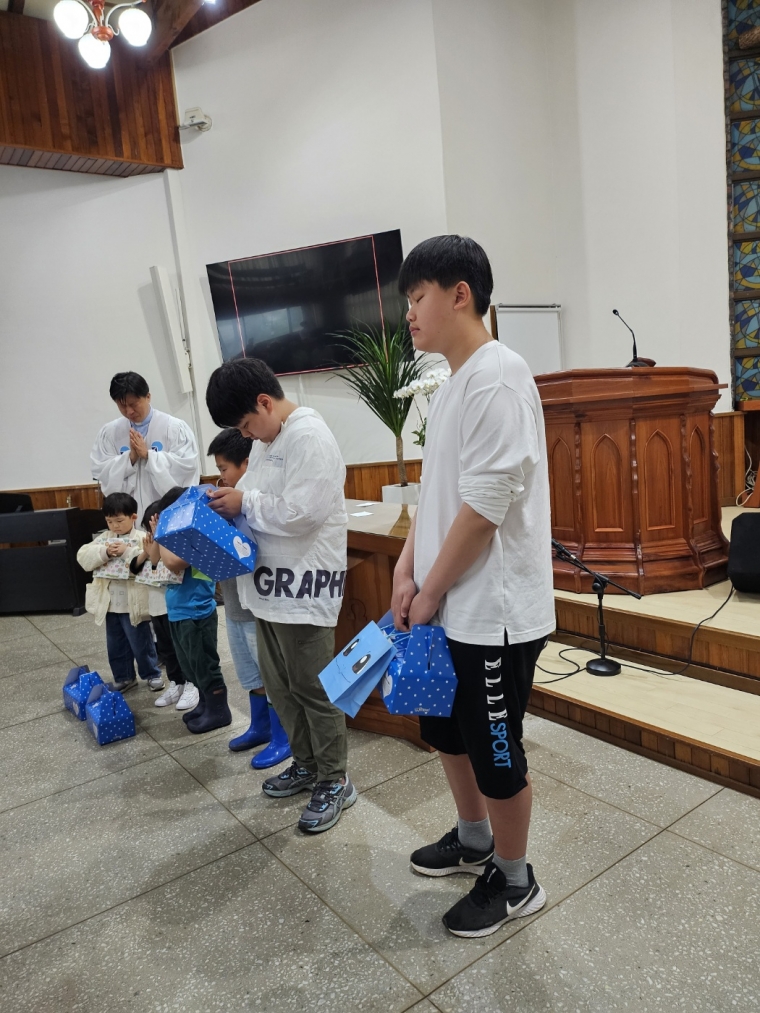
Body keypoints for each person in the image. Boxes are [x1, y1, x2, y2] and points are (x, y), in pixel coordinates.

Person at [391, 235, 555, 938]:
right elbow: (439, 498)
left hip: (493, 609)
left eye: (417, 296)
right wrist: (406, 568)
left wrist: (429, 591)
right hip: (448, 601)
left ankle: (517, 880)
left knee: (495, 748)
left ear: (460, 294)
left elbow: (486, 507)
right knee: (446, 731)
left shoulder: (498, 375)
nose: (408, 314)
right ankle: (474, 838)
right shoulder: (455, 381)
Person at [205, 358, 354, 834]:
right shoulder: (267, 440)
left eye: (245, 425)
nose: (245, 435)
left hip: (303, 587)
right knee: (281, 687)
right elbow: (251, 494)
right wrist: (226, 500)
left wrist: (244, 501)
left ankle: (335, 778)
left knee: (314, 688)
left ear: (265, 402)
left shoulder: (309, 436)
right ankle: (307, 764)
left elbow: (303, 513)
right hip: (268, 588)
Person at [208, 428, 292, 768]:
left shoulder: (256, 504)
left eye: (224, 469)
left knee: (270, 674)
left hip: (257, 608)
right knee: (249, 672)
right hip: (233, 605)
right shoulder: (225, 505)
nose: (220, 477)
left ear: (247, 464)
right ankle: (260, 726)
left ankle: (283, 736)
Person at [152, 486, 232, 734]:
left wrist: (162, 533)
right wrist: (158, 535)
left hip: (196, 612)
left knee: (204, 663)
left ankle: (219, 710)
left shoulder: (197, 535)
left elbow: (172, 562)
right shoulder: (174, 537)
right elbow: (154, 559)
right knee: (190, 664)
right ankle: (206, 704)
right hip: (178, 611)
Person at [76, 491, 164, 694]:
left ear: (133, 517)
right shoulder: (104, 539)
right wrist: (105, 552)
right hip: (110, 603)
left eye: (119, 521)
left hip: (133, 603)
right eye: (109, 521)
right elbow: (83, 555)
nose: (114, 526)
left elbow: (151, 561)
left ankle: (152, 674)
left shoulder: (142, 538)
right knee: (115, 643)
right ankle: (124, 677)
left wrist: (127, 552)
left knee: (141, 642)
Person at [90, 371, 200, 519]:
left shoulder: (174, 428)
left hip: (166, 513)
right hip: (129, 518)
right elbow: (101, 470)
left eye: (133, 404)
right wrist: (129, 459)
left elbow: (186, 466)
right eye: (122, 406)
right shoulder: (110, 433)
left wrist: (149, 456)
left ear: (148, 397)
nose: (129, 411)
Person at [129, 501, 199, 713]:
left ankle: (191, 684)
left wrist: (158, 545)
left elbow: (165, 569)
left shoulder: (175, 544)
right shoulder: (149, 543)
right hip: (156, 608)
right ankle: (176, 682)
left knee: (183, 649)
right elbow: (138, 569)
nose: (151, 533)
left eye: (155, 526)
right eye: (149, 528)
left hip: (174, 608)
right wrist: (147, 552)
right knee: (167, 650)